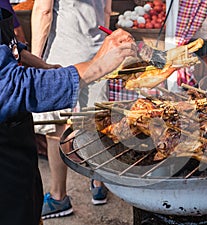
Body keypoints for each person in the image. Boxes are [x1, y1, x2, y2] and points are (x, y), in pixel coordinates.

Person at [0, 6, 136, 225]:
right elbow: (9, 88)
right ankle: (77, 190)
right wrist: (95, 66)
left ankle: (60, 194)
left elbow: (10, 45)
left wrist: (38, 62)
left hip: (17, 143)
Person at [31, 0, 113, 219]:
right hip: (98, 51)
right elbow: (106, 10)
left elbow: (43, 10)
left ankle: (59, 197)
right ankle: (98, 183)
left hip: (63, 53)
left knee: (56, 130)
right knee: (94, 123)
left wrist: (35, 59)